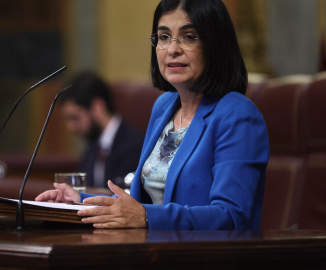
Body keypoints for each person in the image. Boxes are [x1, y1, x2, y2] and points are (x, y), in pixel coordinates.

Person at [36, 0, 269, 230]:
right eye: (164, 37)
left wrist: (147, 217)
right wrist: (80, 201)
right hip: (152, 252)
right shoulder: (163, 107)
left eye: (189, 37)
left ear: (216, 45)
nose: (173, 49)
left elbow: (231, 217)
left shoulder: (238, 115)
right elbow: (140, 207)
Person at [59, 71, 144, 189]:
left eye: (75, 117)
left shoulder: (134, 146)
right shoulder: (92, 149)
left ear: (98, 106)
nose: (71, 127)